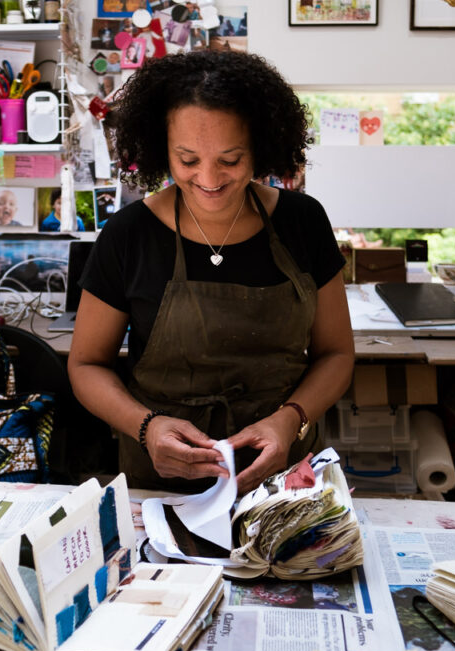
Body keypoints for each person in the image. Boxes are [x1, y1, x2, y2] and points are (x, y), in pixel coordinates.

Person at [68, 50, 354, 495]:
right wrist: (146, 427)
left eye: (230, 159)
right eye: (187, 159)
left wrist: (290, 418)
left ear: (259, 146)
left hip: (284, 478)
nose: (208, 178)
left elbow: (336, 354)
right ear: (162, 148)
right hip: (162, 480)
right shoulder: (129, 234)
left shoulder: (303, 222)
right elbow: (86, 364)